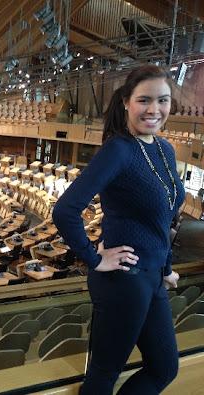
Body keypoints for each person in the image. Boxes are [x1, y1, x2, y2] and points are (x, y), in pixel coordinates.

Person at [52, 64, 184, 395]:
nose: (154, 110)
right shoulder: (118, 150)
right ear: (126, 101)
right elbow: (65, 210)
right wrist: (94, 258)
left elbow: (164, 220)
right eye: (144, 100)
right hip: (123, 278)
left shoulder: (165, 149)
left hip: (153, 276)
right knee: (104, 374)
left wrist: (166, 268)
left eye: (163, 100)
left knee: (164, 368)